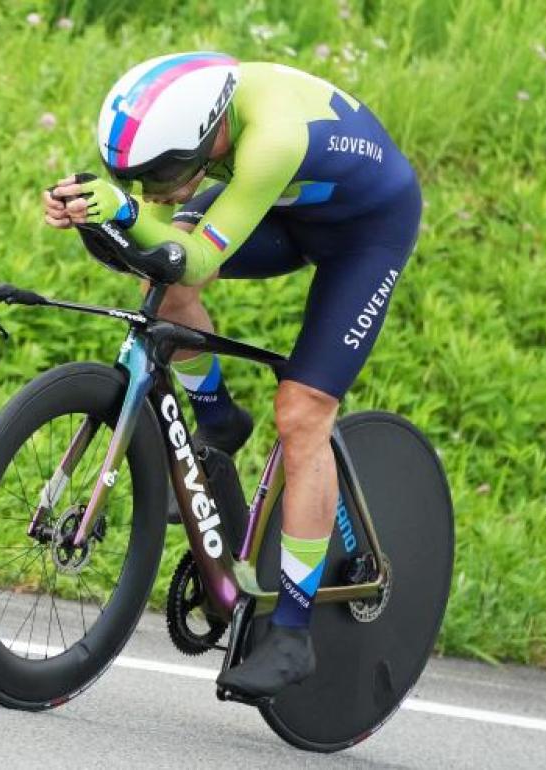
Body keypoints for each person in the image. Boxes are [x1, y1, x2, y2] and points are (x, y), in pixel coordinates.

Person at [42, 51, 421, 700]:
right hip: (289, 206)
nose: (154, 191)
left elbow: (190, 261)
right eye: (135, 178)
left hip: (365, 232)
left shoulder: (271, 137)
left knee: (303, 413)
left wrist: (128, 214)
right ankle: (217, 413)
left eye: (160, 175)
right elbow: (162, 247)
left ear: (208, 133)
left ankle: (293, 632)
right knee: (151, 271)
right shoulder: (197, 120)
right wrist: (94, 209)